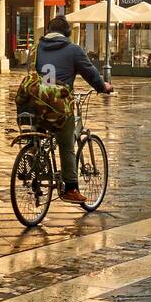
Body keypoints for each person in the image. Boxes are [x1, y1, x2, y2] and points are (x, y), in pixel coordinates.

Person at [35, 15, 112, 205]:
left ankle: (36, 162)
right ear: (67, 33)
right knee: (67, 142)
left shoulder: (40, 48)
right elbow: (90, 72)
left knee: (43, 135)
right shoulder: (73, 49)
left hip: (38, 101)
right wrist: (103, 87)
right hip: (60, 104)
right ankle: (71, 188)